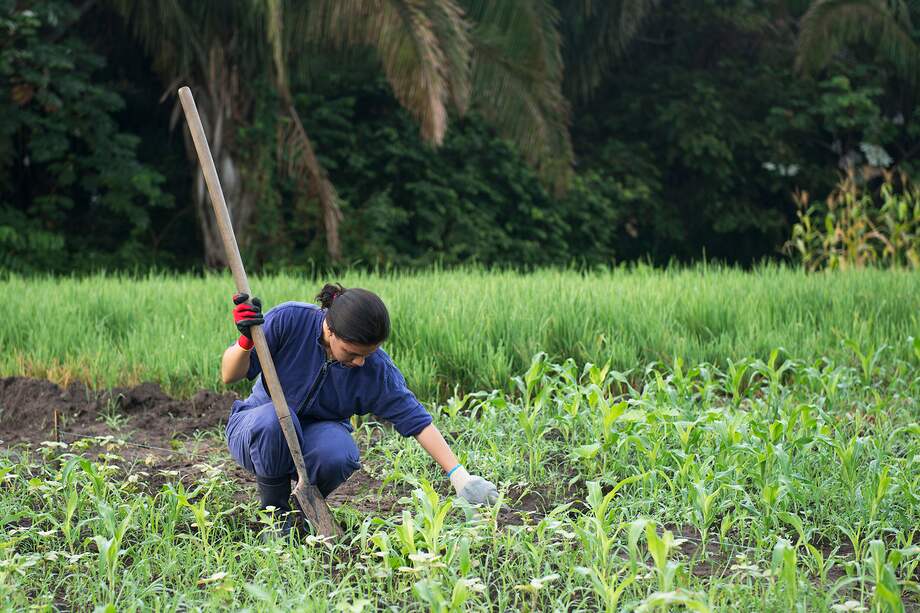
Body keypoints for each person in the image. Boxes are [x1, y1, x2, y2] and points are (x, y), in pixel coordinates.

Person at [221, 283, 498, 535]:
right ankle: (275, 515)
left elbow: (416, 419)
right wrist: (246, 342)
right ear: (329, 330)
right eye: (352, 353)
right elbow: (228, 375)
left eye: (367, 354)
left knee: (340, 452)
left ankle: (301, 510)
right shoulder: (289, 321)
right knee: (278, 419)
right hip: (255, 429)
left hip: (315, 436)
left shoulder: (375, 368)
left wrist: (460, 477)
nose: (360, 363)